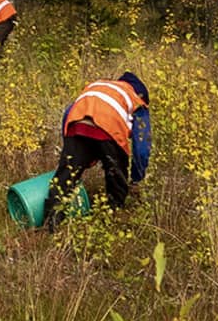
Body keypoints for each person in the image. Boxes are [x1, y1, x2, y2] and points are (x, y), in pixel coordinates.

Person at [44, 73, 151, 233]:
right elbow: (141, 147)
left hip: (76, 124)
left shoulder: (100, 85)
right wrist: (136, 178)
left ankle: (51, 225)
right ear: (142, 95)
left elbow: (68, 113)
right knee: (116, 180)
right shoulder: (137, 102)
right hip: (109, 128)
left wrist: (71, 150)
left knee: (65, 177)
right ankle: (111, 224)